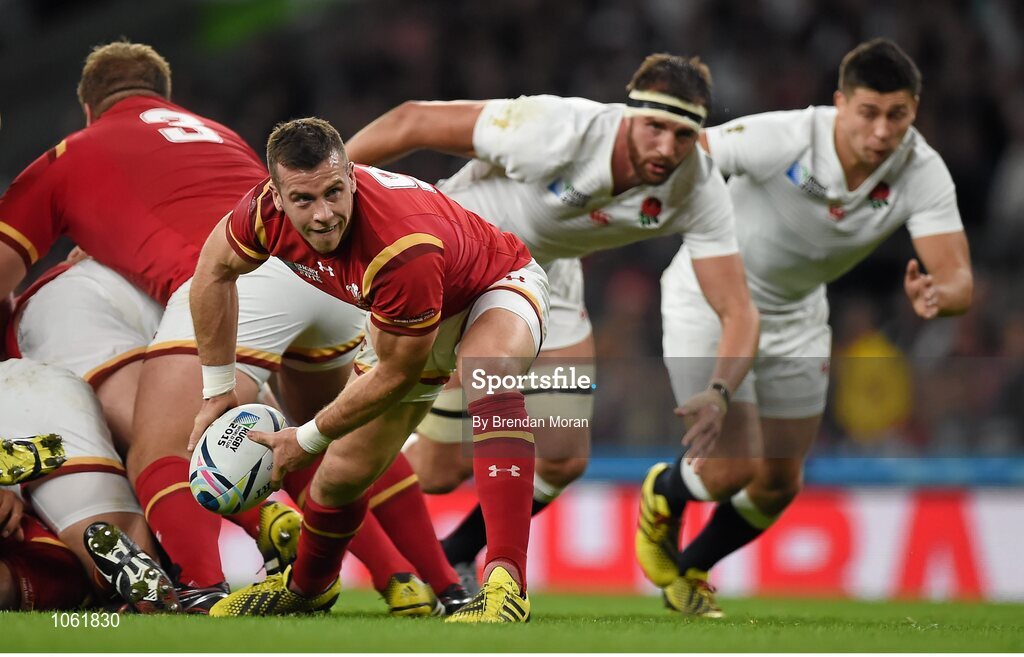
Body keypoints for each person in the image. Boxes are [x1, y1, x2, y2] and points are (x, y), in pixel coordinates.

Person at [343, 53, 760, 586]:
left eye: (683, 135)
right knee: (438, 473)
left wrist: (721, 390)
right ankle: (326, 480)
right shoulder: (556, 129)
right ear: (629, 114)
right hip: (460, 258)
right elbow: (413, 120)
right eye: (655, 127)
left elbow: (738, 309)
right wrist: (328, 191)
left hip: (544, 274)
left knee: (562, 454)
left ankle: (459, 552)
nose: (666, 147)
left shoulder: (698, 185)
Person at [0, 40, 365, 611]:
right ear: (162, 96)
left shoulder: (70, 154)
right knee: (329, 437)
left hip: (189, 297)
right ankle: (419, 577)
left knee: (153, 449)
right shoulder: (225, 137)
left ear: (88, 109)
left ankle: (187, 585)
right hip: (325, 282)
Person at [640, 38, 974, 617]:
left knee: (776, 483)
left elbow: (959, 280)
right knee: (729, 470)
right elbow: (693, 157)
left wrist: (939, 297)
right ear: (840, 104)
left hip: (797, 317)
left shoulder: (921, 170)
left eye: (897, 115)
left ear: (914, 111)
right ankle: (663, 493)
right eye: (868, 112)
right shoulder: (787, 136)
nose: (881, 131)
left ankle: (688, 570)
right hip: (711, 300)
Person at [188, 117, 550, 623]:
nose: (323, 216)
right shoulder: (261, 214)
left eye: (335, 193)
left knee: (489, 375)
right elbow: (212, 270)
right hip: (402, 318)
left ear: (353, 177)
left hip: (493, 286)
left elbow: (398, 374)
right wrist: (217, 391)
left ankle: (506, 583)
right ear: (276, 194)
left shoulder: (401, 247)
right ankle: (307, 590)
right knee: (338, 480)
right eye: (304, 200)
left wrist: (307, 437)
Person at [0, 358, 177, 613]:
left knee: (100, 546)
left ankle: (115, 588)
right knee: (104, 545)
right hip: (41, 389)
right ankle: (112, 585)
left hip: (35, 390)